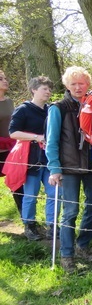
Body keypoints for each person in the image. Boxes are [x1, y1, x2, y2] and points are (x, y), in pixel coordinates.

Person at [46, 66, 92, 273]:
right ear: (67, 86)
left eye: (82, 83)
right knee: (70, 212)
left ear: (88, 84)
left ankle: (83, 245)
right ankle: (67, 255)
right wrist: (54, 168)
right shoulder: (58, 108)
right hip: (67, 167)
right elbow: (51, 141)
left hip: (91, 165)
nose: (78, 87)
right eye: (73, 84)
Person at [9, 76, 57, 240]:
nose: (48, 92)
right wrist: (36, 137)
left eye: (49, 89)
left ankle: (52, 227)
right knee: (31, 194)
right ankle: (30, 226)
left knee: (54, 192)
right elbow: (13, 132)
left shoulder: (51, 110)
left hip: (50, 159)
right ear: (34, 90)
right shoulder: (23, 109)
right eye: (45, 89)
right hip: (30, 158)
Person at [0, 70, 23, 215]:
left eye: (5, 77)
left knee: (18, 184)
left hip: (11, 151)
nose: (5, 80)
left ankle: (26, 219)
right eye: (0, 78)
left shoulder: (9, 102)